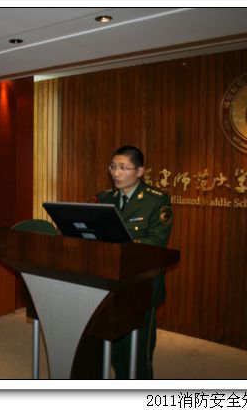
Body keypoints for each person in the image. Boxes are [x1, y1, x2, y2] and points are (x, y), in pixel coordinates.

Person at [94, 145, 173, 379]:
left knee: (137, 357)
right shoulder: (104, 199)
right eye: (112, 167)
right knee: (113, 351)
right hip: (109, 284)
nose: (115, 173)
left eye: (123, 167)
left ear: (140, 171)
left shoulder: (156, 201)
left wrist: (118, 244)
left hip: (141, 286)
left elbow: (156, 242)